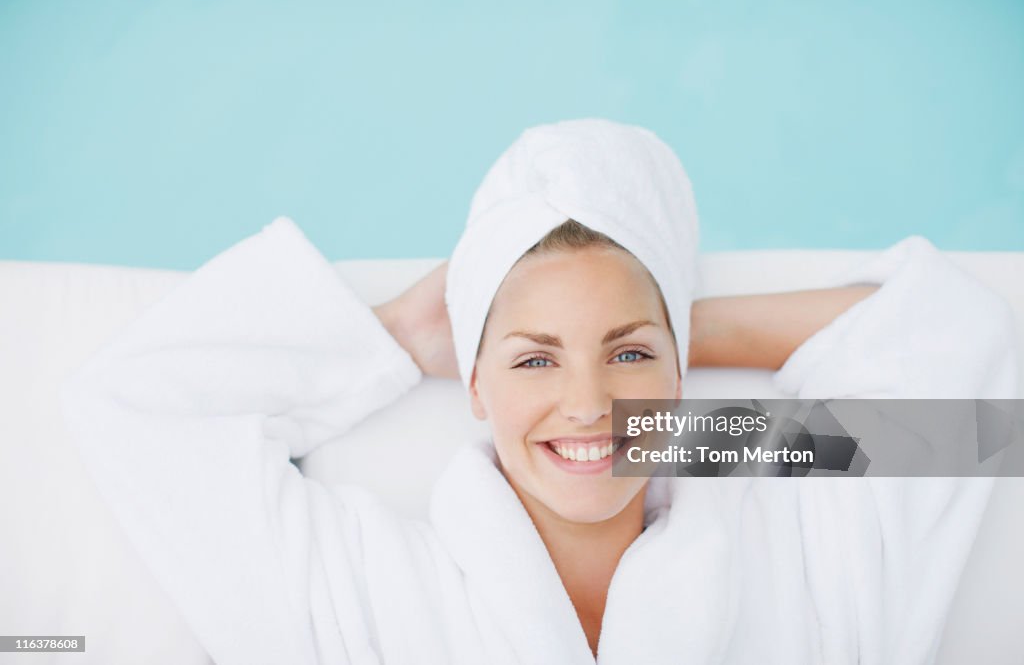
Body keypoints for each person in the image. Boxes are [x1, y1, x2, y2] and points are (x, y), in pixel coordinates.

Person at [61, 120, 1018, 665]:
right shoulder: (368, 592)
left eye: (630, 355)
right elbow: (141, 407)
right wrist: (398, 337)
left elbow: (965, 400)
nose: (589, 403)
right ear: (471, 383)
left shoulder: (798, 557)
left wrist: (682, 335)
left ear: (682, 372)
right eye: (533, 361)